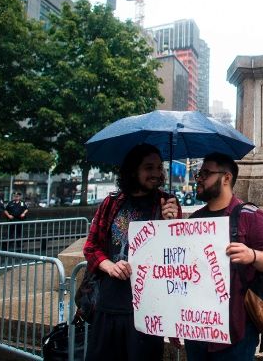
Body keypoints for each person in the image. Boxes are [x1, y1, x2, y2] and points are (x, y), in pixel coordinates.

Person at [166, 152, 263, 360]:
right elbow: (180, 270)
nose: (198, 178)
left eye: (205, 173)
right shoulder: (195, 219)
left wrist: (251, 255)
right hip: (197, 329)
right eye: (199, 173)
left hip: (236, 331)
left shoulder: (250, 215)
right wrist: (169, 226)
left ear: (226, 178)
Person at [82, 143, 182, 361]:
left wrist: (172, 224)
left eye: (159, 167)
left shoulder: (168, 204)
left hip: (147, 312)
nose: (156, 173)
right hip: (107, 306)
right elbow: (91, 247)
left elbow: (176, 259)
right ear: (133, 170)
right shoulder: (111, 204)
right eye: (149, 168)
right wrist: (109, 266)